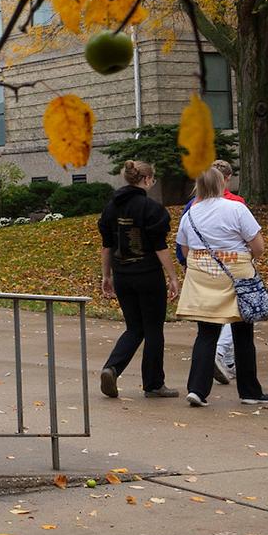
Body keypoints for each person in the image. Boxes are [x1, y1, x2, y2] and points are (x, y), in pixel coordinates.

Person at [175, 167, 268, 408]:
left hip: (203, 276)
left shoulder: (191, 213)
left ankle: (197, 388)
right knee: (243, 335)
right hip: (236, 276)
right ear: (221, 184)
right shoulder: (237, 209)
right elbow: (258, 246)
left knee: (206, 333)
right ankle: (250, 391)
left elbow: (184, 250)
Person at [98, 160, 180, 399]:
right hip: (147, 276)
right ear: (146, 180)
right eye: (152, 179)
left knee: (134, 327)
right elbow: (160, 247)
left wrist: (106, 275)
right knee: (153, 329)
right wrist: (172, 276)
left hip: (122, 275)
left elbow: (107, 246)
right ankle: (153, 384)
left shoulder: (111, 208)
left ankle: (112, 368)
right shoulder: (151, 208)